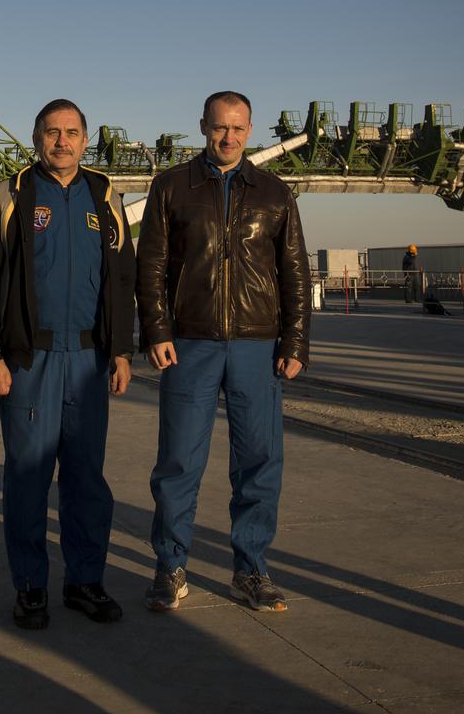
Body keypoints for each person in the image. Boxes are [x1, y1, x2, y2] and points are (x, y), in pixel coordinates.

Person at [136, 90, 310, 614]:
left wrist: (295, 340)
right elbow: (151, 267)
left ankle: (251, 569)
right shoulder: (172, 188)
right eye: (219, 128)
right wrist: (157, 331)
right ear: (203, 128)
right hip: (190, 342)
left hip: (258, 345)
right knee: (178, 460)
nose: (228, 137)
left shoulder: (276, 193)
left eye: (237, 128)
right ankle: (170, 566)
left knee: (259, 460)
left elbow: (295, 272)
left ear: (250, 130)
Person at [0, 99, 135, 630]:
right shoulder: (10, 196)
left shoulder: (105, 197)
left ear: (86, 140)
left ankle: (85, 581)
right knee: (28, 477)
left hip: (88, 358)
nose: (61, 142)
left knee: (87, 479)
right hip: (29, 360)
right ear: (35, 138)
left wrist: (123, 349)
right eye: (51, 132)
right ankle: (31, 586)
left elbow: (122, 278)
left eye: (71, 133)